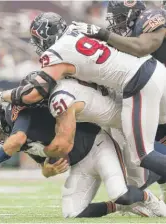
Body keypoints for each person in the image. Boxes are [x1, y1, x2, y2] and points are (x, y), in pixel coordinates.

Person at [0, 12, 166, 180]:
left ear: (45, 36)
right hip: (152, 68)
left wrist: (2, 95)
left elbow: (34, 93)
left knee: (141, 154)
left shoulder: (57, 53)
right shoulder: (78, 30)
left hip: (137, 82)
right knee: (160, 126)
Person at [0, 97, 166, 217]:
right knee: (73, 212)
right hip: (79, 165)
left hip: (98, 146)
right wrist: (47, 170)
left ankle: (150, 197)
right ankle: (118, 208)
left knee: (121, 192)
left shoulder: (19, 114)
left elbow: (17, 139)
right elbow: (44, 165)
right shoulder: (18, 139)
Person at [73, 0, 166, 201]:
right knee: (149, 150)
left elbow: (143, 46)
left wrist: (104, 35)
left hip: (158, 89)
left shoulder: (151, 17)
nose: (116, 24)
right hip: (157, 96)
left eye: (120, 18)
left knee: (143, 153)